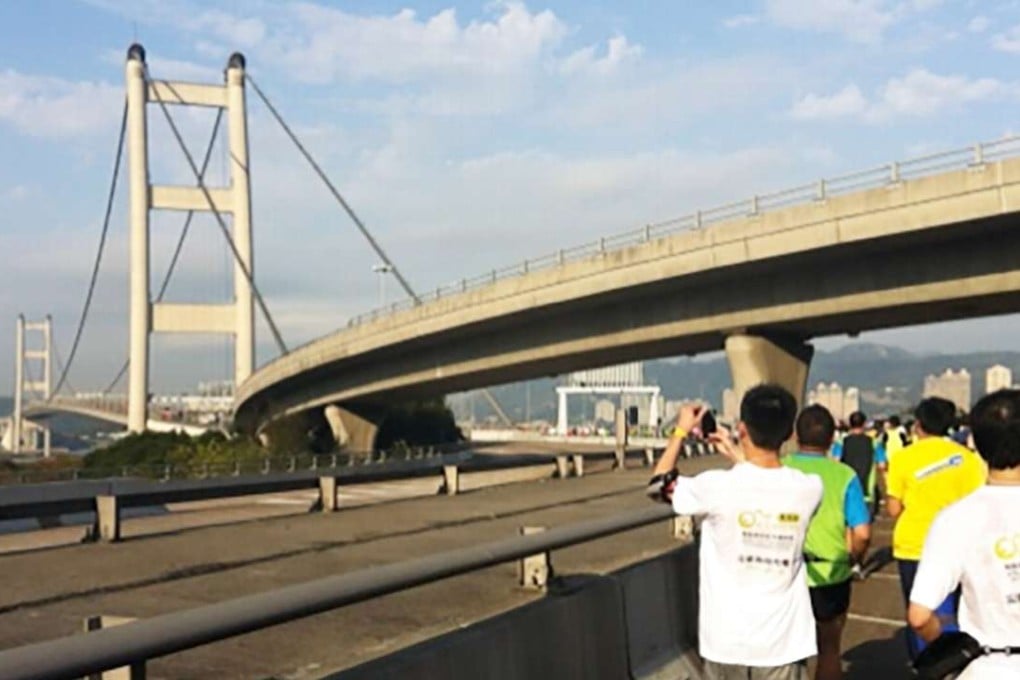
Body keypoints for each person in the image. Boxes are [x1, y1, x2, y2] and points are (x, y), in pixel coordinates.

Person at [648, 384, 823, 680]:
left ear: (742, 428)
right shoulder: (810, 488)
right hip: (783, 643)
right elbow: (765, 481)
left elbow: (657, 486)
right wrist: (737, 453)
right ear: (790, 433)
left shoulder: (714, 487)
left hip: (726, 642)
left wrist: (680, 431)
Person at [908, 389, 1020, 678]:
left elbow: (919, 616)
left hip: (986, 664)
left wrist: (949, 646)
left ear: (977, 443)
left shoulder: (955, 519)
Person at [886, 397, 986, 660]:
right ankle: (955, 663)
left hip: (913, 544)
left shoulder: (903, 458)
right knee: (954, 610)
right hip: (958, 546)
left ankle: (923, 663)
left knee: (918, 611)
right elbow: (977, 503)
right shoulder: (967, 458)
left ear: (918, 425)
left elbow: (894, 509)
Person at [783, 406, 871, 680]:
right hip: (831, 573)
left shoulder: (780, 467)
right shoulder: (844, 475)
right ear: (833, 438)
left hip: (785, 570)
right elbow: (863, 533)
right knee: (829, 649)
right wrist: (854, 557)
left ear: (796, 435)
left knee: (785, 651)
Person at [831, 411, 887, 518]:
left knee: (847, 527)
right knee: (864, 528)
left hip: (845, 489)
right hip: (867, 492)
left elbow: (835, 462)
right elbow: (882, 465)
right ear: (865, 424)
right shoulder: (875, 443)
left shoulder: (841, 442)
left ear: (849, 423)